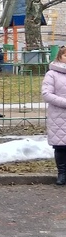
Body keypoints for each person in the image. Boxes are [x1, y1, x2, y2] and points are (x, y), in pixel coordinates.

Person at [42, 45, 66, 186]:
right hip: (59, 115)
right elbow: (46, 94)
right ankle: (62, 174)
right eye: (65, 55)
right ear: (60, 57)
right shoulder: (52, 74)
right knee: (61, 146)